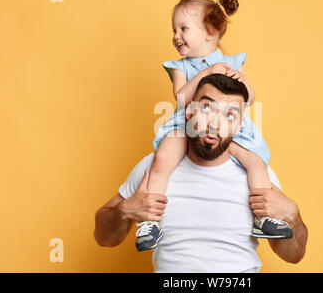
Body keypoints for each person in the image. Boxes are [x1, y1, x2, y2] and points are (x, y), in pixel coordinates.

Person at [94, 74, 308, 273]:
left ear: (239, 125)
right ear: (189, 111)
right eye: (206, 108)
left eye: (229, 115)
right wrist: (124, 210)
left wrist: (293, 217)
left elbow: (293, 256)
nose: (215, 124)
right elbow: (103, 238)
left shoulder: (259, 177)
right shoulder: (155, 167)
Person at [137, 0, 292, 251]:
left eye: (183, 28)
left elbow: (249, 99)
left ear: (209, 31)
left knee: (256, 163)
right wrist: (205, 73)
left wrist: (246, 85)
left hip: (226, 126)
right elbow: (183, 97)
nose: (176, 36)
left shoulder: (232, 61)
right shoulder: (180, 67)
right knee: (162, 158)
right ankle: (150, 221)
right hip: (188, 124)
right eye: (174, 30)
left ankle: (263, 218)